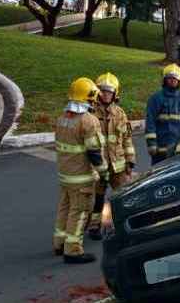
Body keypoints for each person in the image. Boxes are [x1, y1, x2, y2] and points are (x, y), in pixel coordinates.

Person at [53, 77, 108, 264]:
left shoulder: (62, 118)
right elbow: (94, 152)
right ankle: (73, 250)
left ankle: (59, 243)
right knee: (80, 212)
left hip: (65, 175)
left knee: (64, 209)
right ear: (89, 98)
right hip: (81, 178)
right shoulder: (88, 120)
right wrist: (104, 172)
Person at [85, 72, 135, 240]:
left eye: (109, 91)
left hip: (118, 166)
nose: (106, 94)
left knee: (122, 198)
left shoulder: (120, 113)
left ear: (115, 93)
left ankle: (123, 226)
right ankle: (94, 227)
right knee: (97, 199)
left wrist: (130, 161)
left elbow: (127, 139)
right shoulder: (89, 113)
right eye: (103, 91)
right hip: (98, 166)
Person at [145, 64, 180, 164]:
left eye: (175, 78)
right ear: (164, 79)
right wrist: (151, 144)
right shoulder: (156, 98)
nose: (172, 80)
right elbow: (150, 121)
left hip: (177, 149)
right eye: (170, 78)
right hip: (159, 150)